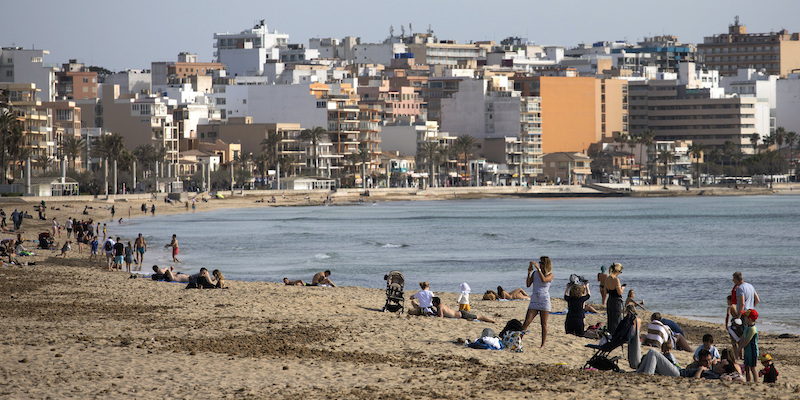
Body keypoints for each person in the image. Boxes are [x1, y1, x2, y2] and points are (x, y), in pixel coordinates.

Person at [521, 256, 554, 348]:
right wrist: (529, 272)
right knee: (527, 322)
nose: (540, 264)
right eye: (539, 263)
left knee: (543, 323)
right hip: (535, 299)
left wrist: (539, 269)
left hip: (544, 300)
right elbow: (528, 284)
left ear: (546, 264)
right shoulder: (535, 273)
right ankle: (518, 340)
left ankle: (542, 344)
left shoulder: (550, 274)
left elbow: (544, 279)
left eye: (542, 263)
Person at [431, 296, 496, 323]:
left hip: (461, 315)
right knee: (478, 317)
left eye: (433, 302)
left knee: (479, 317)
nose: (432, 303)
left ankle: (493, 321)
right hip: (460, 313)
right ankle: (493, 320)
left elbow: (441, 316)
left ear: (436, 302)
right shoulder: (442, 305)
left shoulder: (439, 307)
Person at [739, 308, 759, 382]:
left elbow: (747, 340)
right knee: (746, 367)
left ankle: (756, 381)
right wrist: (740, 347)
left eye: (745, 317)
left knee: (753, 367)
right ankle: (748, 381)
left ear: (750, 319)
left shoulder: (752, 329)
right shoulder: (747, 327)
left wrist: (740, 347)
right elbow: (743, 338)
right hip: (747, 350)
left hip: (753, 351)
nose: (744, 318)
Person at [604, 263, 625, 333]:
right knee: (616, 319)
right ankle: (615, 334)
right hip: (616, 301)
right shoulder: (616, 280)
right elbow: (620, 292)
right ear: (617, 271)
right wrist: (622, 288)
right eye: (620, 272)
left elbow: (605, 292)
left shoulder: (607, 279)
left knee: (610, 318)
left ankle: (610, 333)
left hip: (610, 300)